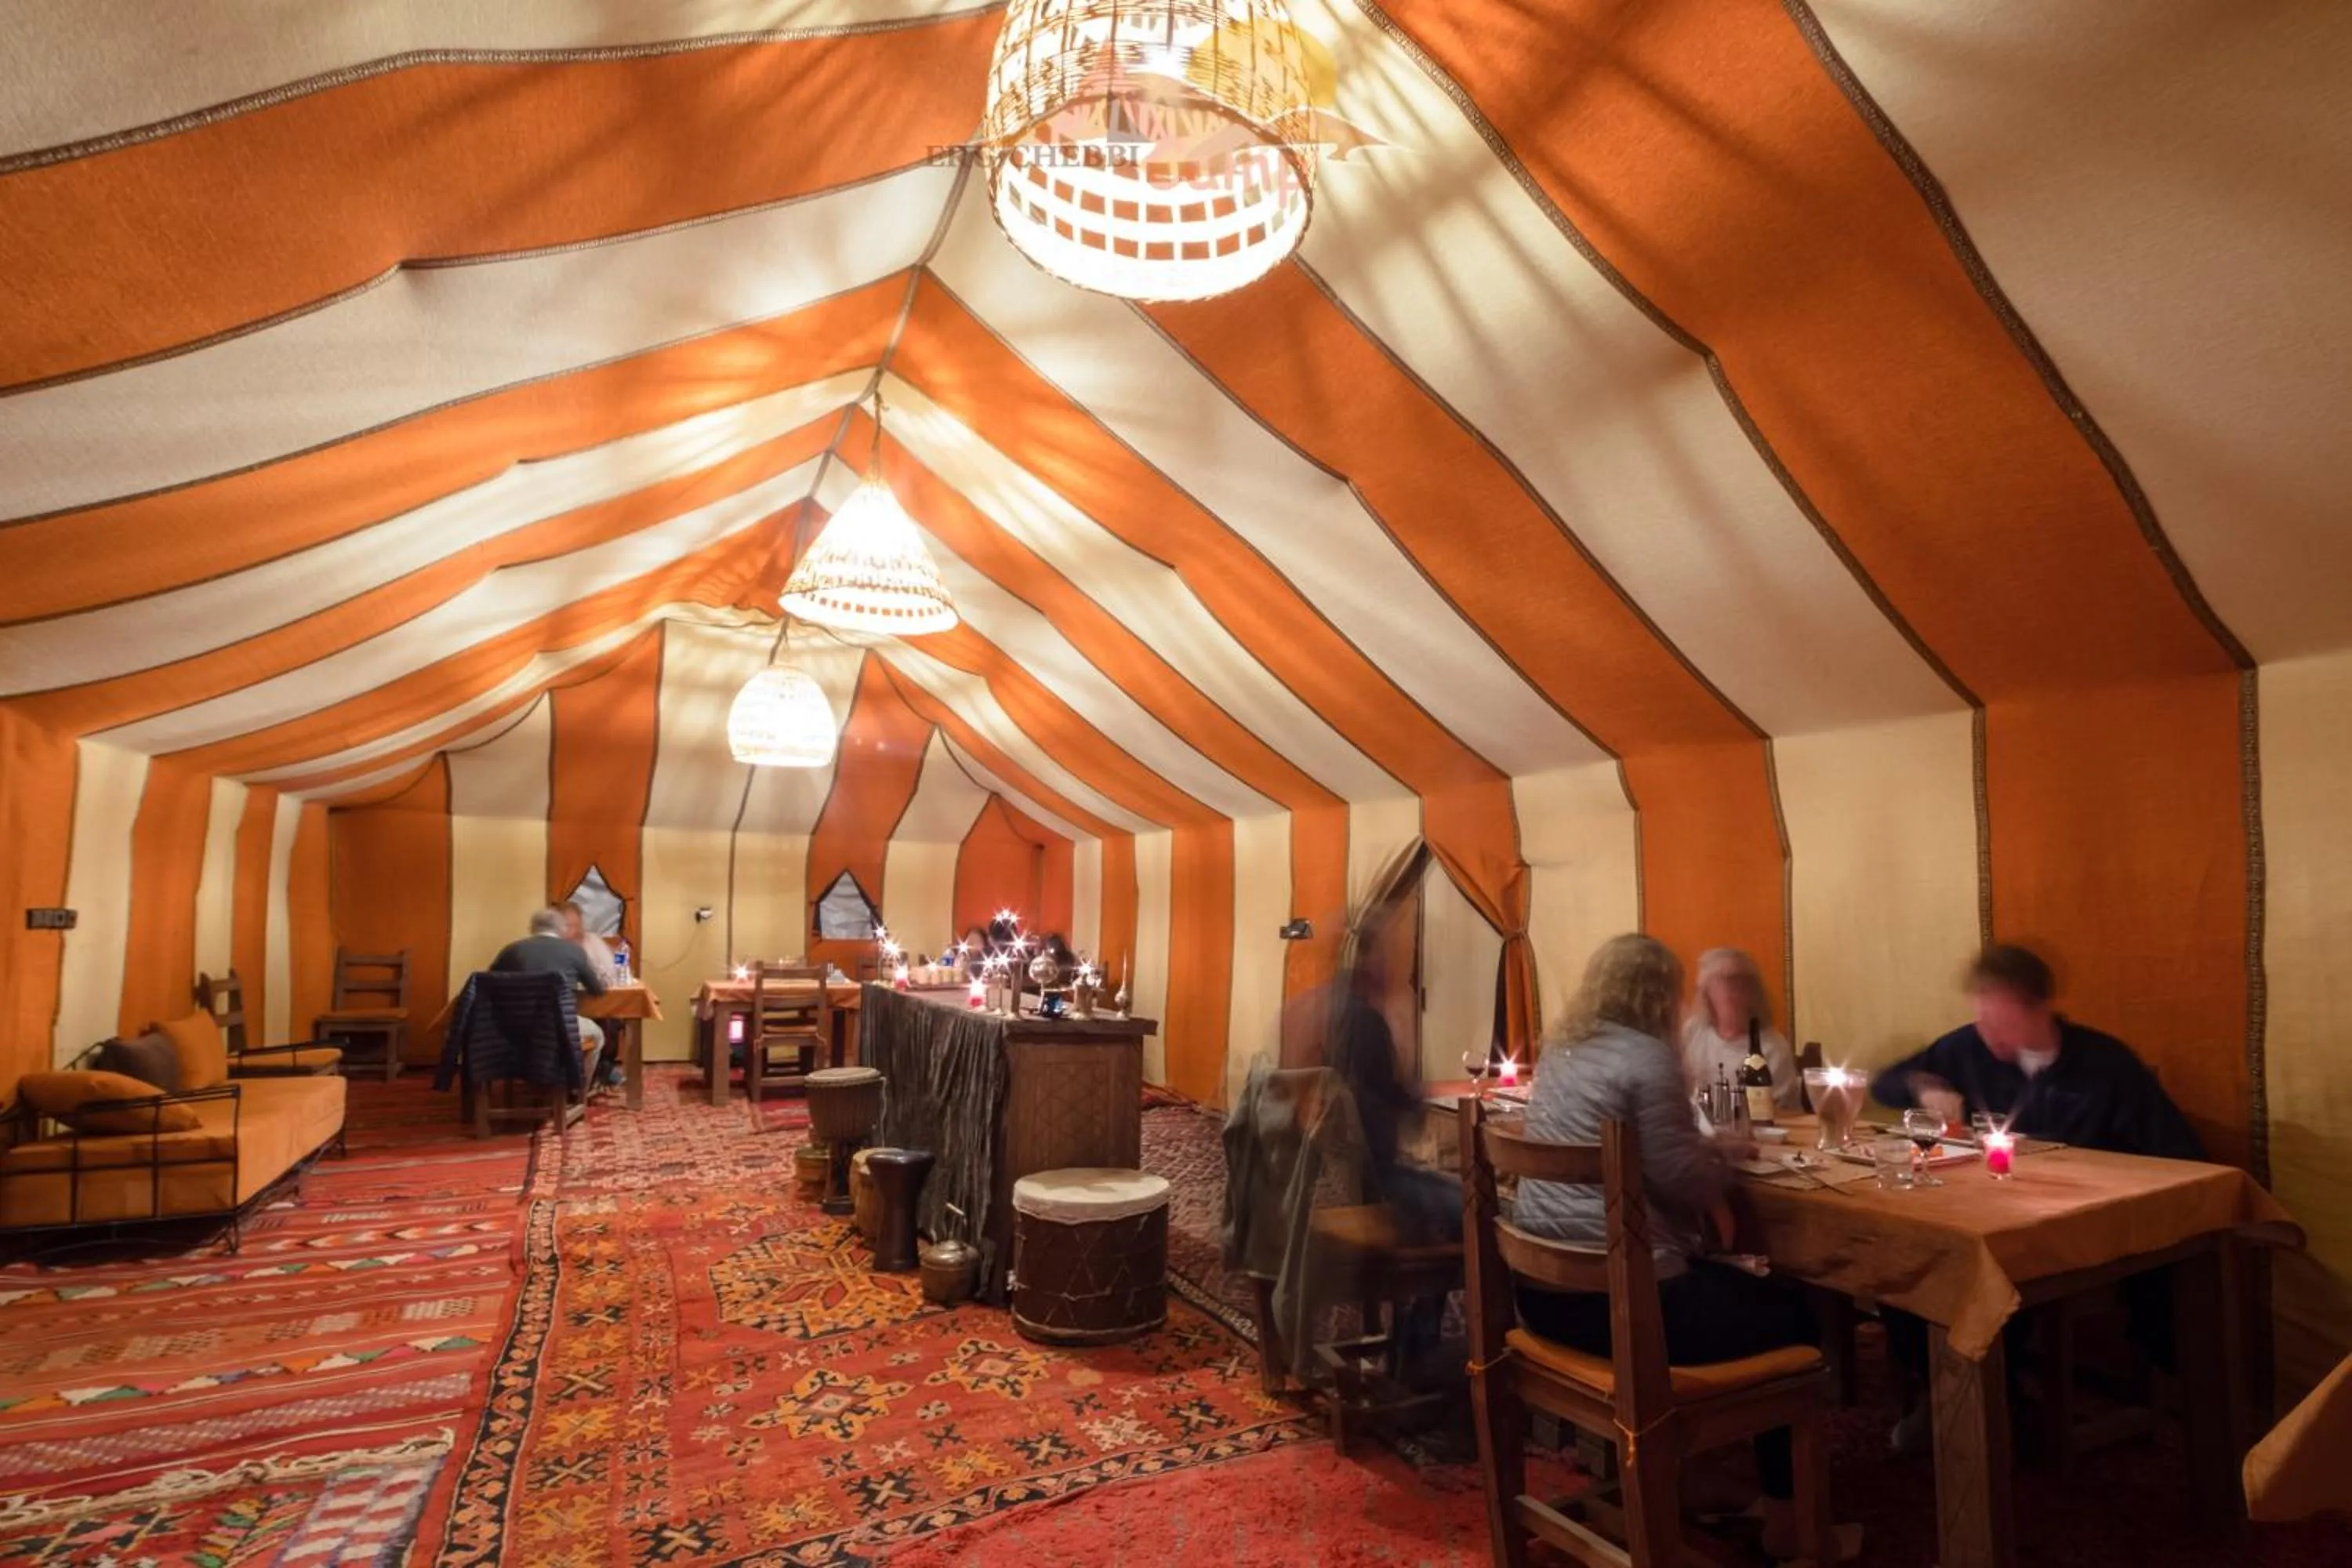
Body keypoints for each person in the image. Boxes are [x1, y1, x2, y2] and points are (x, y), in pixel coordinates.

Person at [1514, 934, 1820, 1557]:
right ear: (1660, 994)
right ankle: (1790, 1520)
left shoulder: (1564, 1051)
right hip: (1622, 1310)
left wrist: (1696, 1151)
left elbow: (1646, 1161)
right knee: (1793, 1312)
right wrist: (1725, 1156)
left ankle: (1693, 1478)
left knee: (1731, 1290)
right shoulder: (1646, 1058)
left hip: (1544, 1296)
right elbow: (1686, 1183)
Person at [1871, 943, 2203, 1452]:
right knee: (1900, 1259)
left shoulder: (2104, 1063)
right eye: (1981, 1018)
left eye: (2000, 1023)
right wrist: (1924, 1084)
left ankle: (1972, 1406)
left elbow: (2179, 1155)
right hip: (1986, 1213)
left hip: (2074, 1232)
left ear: (2039, 1008)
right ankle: (1968, 1396)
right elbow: (1886, 1083)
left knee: (1983, 1269)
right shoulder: (1966, 1048)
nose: (1989, 1037)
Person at [492, 907, 608, 1087]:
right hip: (558, 1025)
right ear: (561, 928)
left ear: (532, 928)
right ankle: (579, 1089)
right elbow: (597, 990)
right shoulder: (573, 951)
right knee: (598, 1035)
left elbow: (489, 982)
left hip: (513, 1028)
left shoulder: (511, 950)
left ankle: (530, 1079)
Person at [1681, 946, 1799, 1112]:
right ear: (1706, 994)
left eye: (1738, 984)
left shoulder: (1772, 1047)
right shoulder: (1692, 1032)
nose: (1729, 992)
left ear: (1753, 993)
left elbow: (1784, 1113)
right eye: (1720, 984)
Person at [558, 901, 619, 989]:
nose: (575, 931)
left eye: (577, 925)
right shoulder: (554, 945)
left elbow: (611, 972)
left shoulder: (593, 940)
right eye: (569, 926)